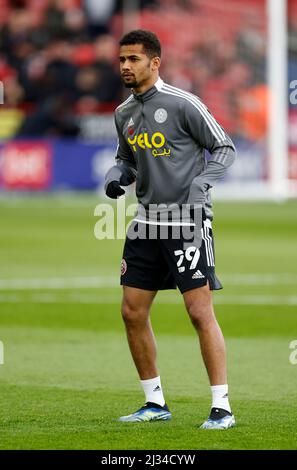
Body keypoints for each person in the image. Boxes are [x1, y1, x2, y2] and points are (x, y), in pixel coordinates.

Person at [105, 30, 236, 429]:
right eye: (122, 59)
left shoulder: (184, 104)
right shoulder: (123, 112)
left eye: (134, 59)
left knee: (198, 312)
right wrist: (118, 174)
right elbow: (126, 158)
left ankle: (222, 407)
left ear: (155, 62)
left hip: (188, 223)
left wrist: (203, 182)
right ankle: (154, 402)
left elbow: (224, 147)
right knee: (131, 311)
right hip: (146, 222)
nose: (126, 66)